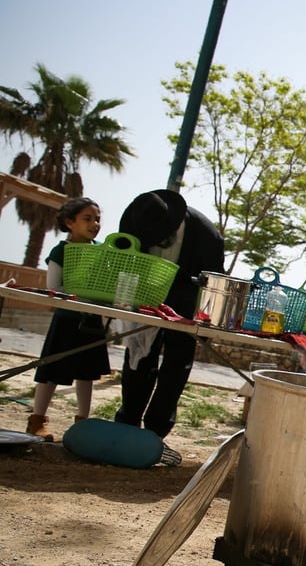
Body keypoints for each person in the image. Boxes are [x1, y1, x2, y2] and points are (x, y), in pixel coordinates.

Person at [114, 189, 224, 438]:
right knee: (138, 358)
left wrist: (208, 327)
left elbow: (215, 282)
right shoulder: (137, 221)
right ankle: (128, 421)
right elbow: (124, 262)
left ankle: (157, 428)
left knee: (176, 364)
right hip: (145, 298)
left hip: (186, 305)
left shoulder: (207, 235)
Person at [25, 198, 109, 441]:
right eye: (87, 218)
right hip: (67, 320)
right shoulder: (60, 251)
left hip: (92, 321)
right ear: (69, 222)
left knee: (87, 373)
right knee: (50, 370)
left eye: (97, 219)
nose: (95, 223)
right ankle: (37, 419)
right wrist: (82, 298)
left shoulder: (102, 251)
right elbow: (55, 287)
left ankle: (82, 423)